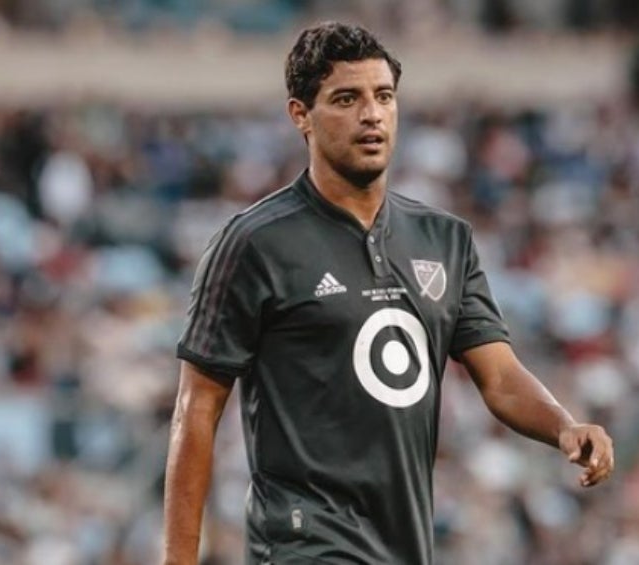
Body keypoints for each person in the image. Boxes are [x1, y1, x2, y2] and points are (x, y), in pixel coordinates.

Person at [163, 21, 615, 565]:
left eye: (383, 96)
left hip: (404, 543)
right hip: (304, 543)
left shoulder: (445, 239)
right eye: (346, 99)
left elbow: (499, 378)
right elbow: (196, 408)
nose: (372, 114)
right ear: (300, 115)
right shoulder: (255, 243)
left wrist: (564, 425)